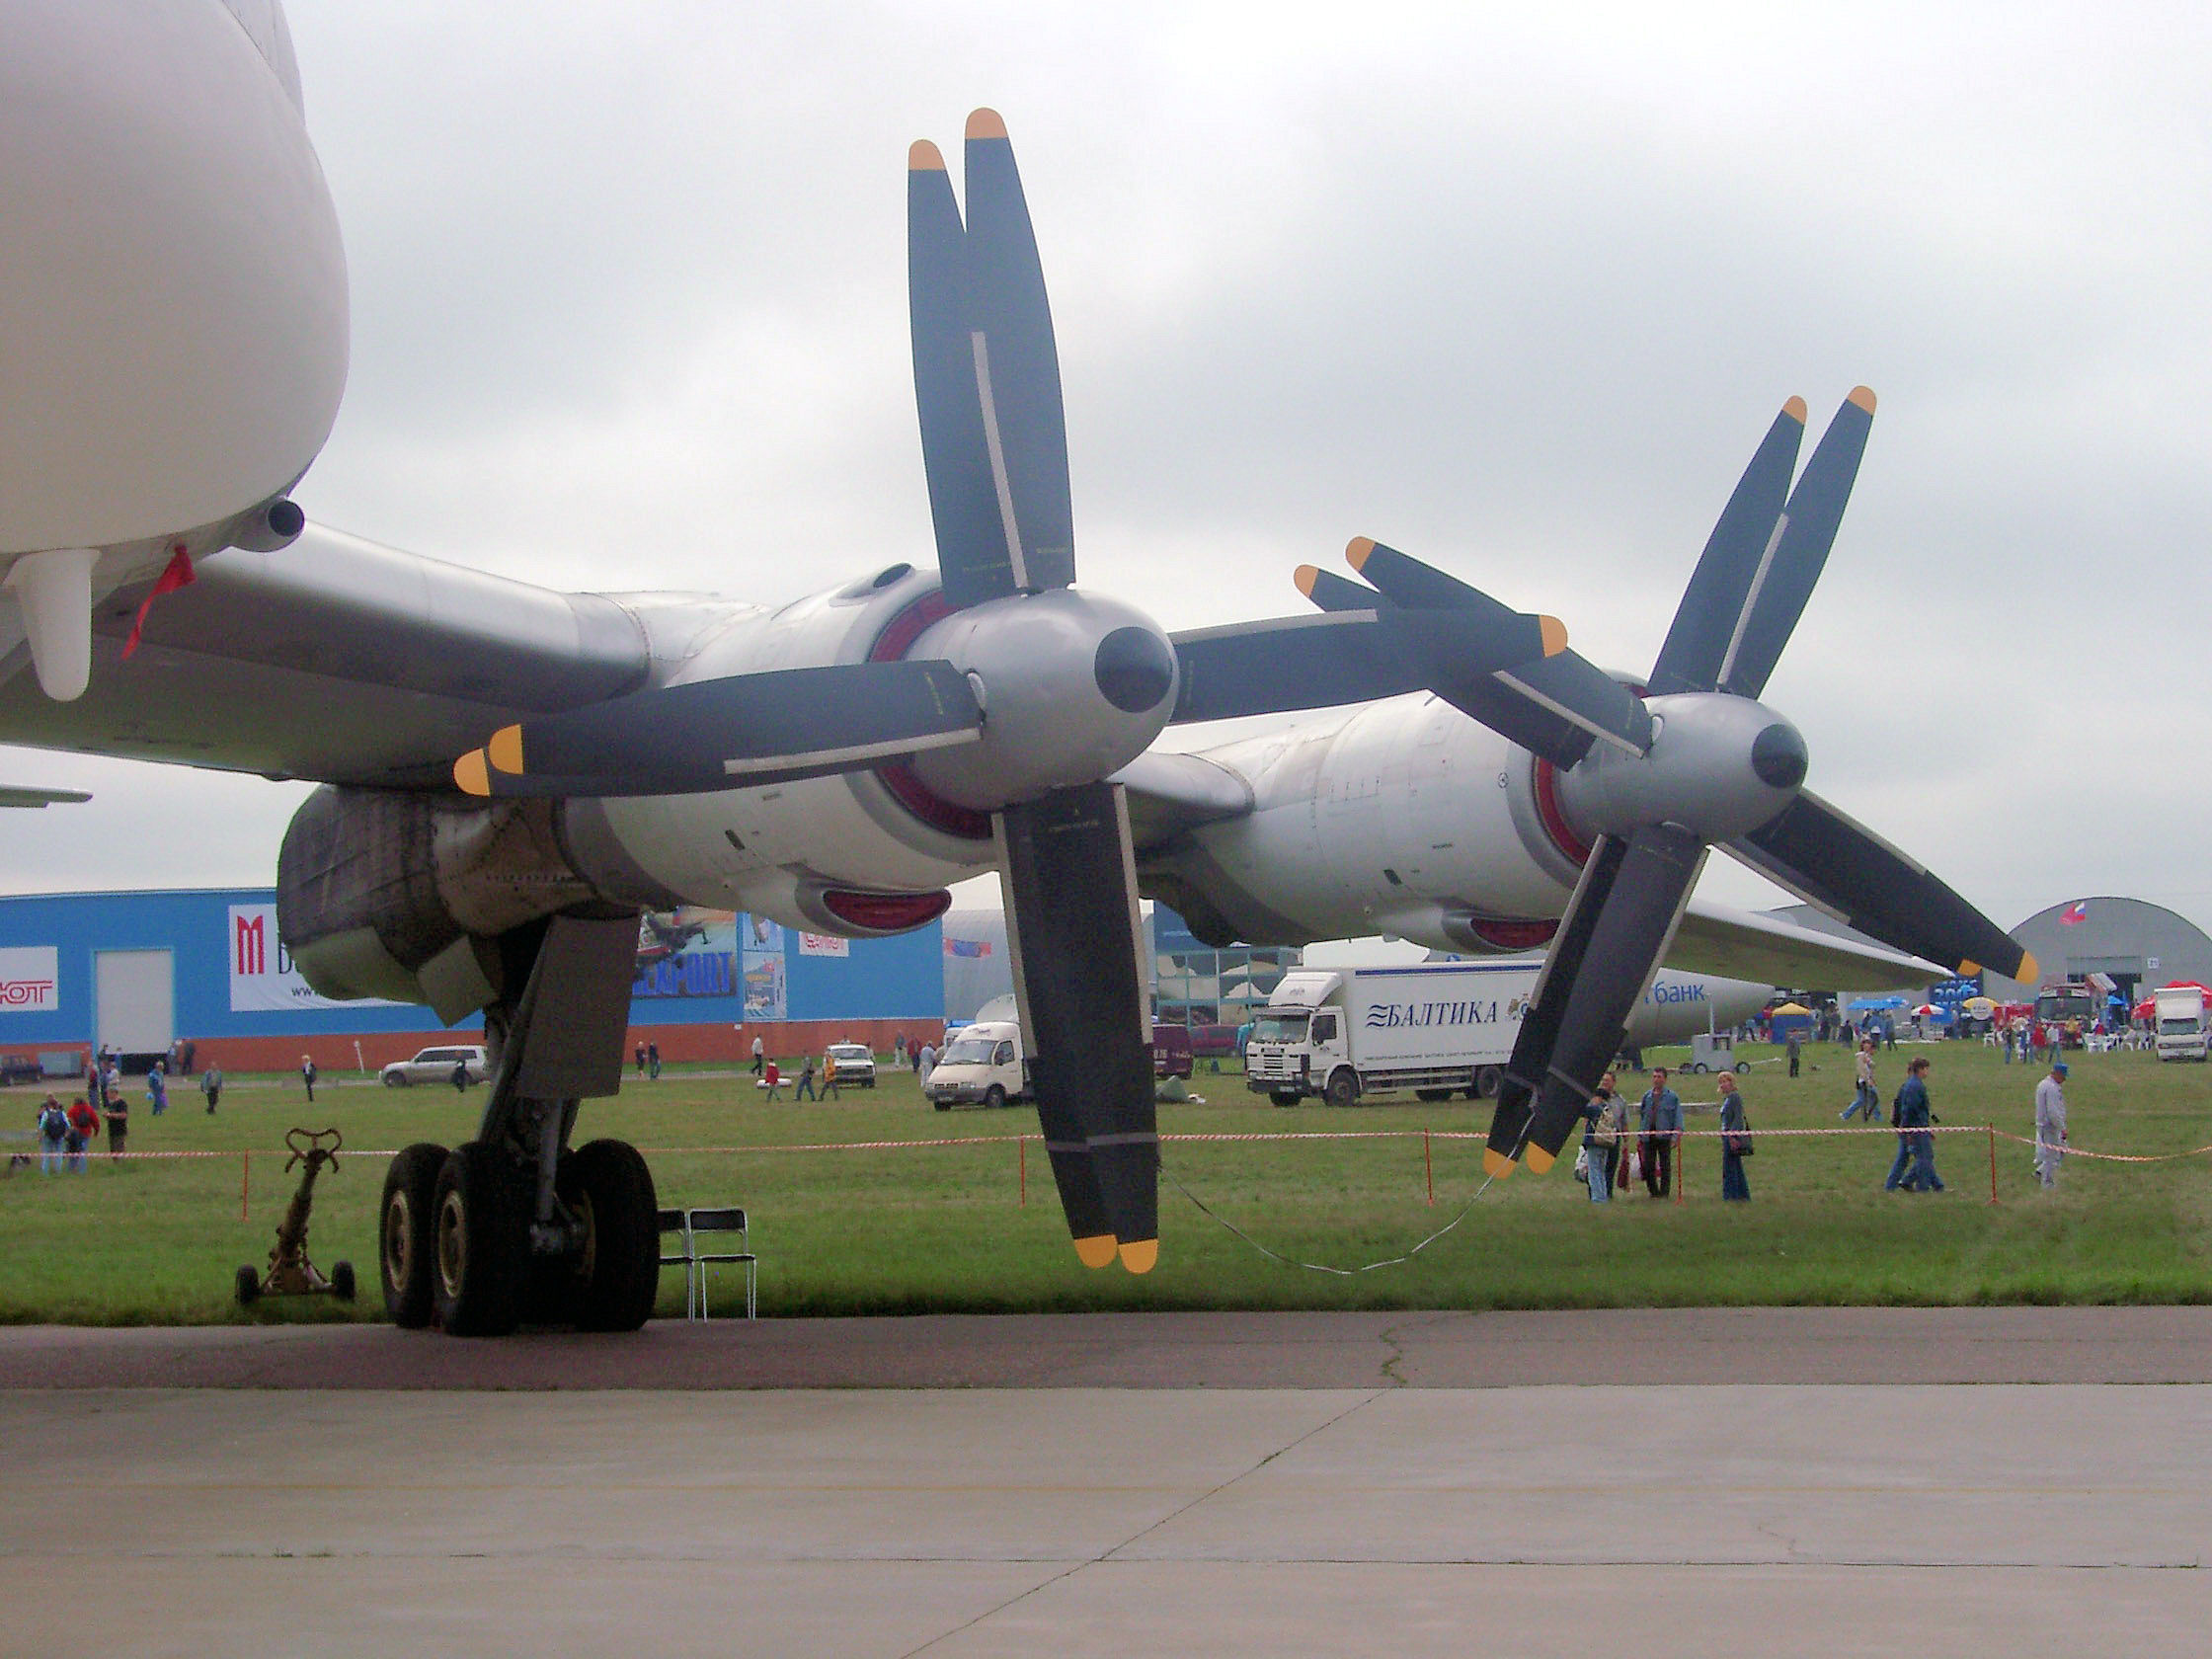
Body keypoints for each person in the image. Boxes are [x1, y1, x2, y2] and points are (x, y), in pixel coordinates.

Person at [1885, 1056, 1943, 1192]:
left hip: (1913, 1127)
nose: (1927, 1072)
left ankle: (1892, 1186)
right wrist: (1908, 1130)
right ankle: (1920, 1186)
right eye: (1926, 1069)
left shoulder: (1911, 1084)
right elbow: (1910, 1110)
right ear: (1920, 1069)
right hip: (1915, 1128)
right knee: (1925, 1157)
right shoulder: (1915, 1086)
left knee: (1905, 1158)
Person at [1637, 1067, 1682, 1198]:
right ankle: (1653, 1192)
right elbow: (1643, 1115)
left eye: (1659, 1077)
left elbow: (1677, 1117)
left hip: (1664, 1136)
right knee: (1648, 1166)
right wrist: (1641, 1133)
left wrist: (1675, 1136)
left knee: (1665, 1166)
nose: (1656, 1079)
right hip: (1648, 1136)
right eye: (1654, 1077)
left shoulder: (1672, 1097)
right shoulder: (1647, 1096)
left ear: (1665, 1079)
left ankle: (1664, 1193)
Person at [1580, 1082, 1623, 1205]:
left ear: (1598, 1097)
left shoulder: (1594, 1109)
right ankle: (1603, 1196)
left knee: (1594, 1172)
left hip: (1595, 1143)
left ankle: (1597, 1199)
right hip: (1607, 1143)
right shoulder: (1608, 1110)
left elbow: (1580, 1110)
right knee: (1601, 1171)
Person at [2034, 1061, 2069, 1189]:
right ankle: (2047, 1182)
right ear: (2058, 1074)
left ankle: (2040, 1172)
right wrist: (2062, 1128)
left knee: (2057, 1152)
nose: (2064, 1079)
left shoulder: (2043, 1084)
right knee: (2053, 1156)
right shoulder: (2052, 1088)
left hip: (2044, 1125)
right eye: (2063, 1076)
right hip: (2050, 1127)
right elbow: (2053, 1111)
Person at [1717, 1071, 1751, 1202]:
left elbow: (1738, 1119)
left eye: (1726, 1081)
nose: (1723, 1084)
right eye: (1721, 1082)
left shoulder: (1735, 1098)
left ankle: (1732, 1195)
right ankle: (1741, 1195)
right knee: (1734, 1166)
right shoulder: (1727, 1099)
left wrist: (1732, 1136)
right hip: (1726, 1136)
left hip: (1732, 1137)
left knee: (1731, 1167)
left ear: (1731, 1082)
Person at [1841, 1039, 1878, 1121]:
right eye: (1866, 1044)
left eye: (1869, 1044)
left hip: (1867, 1081)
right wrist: (1867, 1080)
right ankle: (1846, 1115)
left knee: (1866, 1100)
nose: (1868, 1046)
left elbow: (1870, 1066)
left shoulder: (1866, 1056)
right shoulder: (1861, 1056)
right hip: (1863, 1082)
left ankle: (1846, 1115)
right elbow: (1861, 1070)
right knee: (1868, 1100)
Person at [64, 1096, 98, 1173]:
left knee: (73, 1151)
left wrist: (67, 1133)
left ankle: (71, 1169)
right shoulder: (89, 1109)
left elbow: (67, 1122)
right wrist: (96, 1131)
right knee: (83, 1152)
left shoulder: (72, 1110)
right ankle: (82, 1171)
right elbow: (95, 1121)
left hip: (74, 1134)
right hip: (86, 1133)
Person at [36, 1095, 68, 1175]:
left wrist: (39, 1136)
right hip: (59, 1137)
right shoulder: (62, 1113)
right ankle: (58, 1171)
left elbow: (42, 1126)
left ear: (49, 1105)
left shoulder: (46, 1113)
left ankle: (45, 1172)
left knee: (46, 1155)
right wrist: (66, 1134)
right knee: (59, 1155)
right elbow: (68, 1125)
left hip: (48, 1136)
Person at [103, 1084, 128, 1163]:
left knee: (119, 1148)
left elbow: (124, 1115)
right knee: (113, 1150)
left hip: (119, 1130)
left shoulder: (121, 1103)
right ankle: (116, 1163)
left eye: (108, 1093)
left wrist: (111, 1115)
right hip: (112, 1130)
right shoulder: (111, 1104)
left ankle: (121, 1163)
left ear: (114, 1093)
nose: (107, 1095)